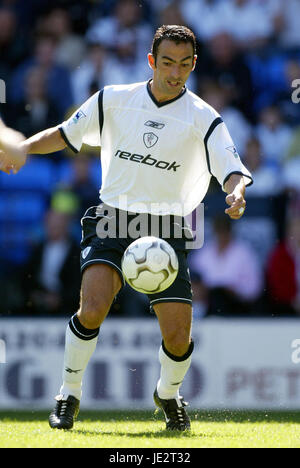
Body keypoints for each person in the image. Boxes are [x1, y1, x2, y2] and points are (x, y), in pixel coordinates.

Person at [0, 25, 253, 432]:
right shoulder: (114, 99)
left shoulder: (204, 117)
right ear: (151, 61)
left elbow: (232, 170)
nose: (175, 73)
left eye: (184, 65)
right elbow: (66, 136)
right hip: (113, 217)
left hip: (168, 227)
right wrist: (24, 148)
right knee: (93, 307)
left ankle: (168, 394)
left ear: (193, 65)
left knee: (177, 336)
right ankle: (68, 393)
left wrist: (237, 193)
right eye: (167, 63)